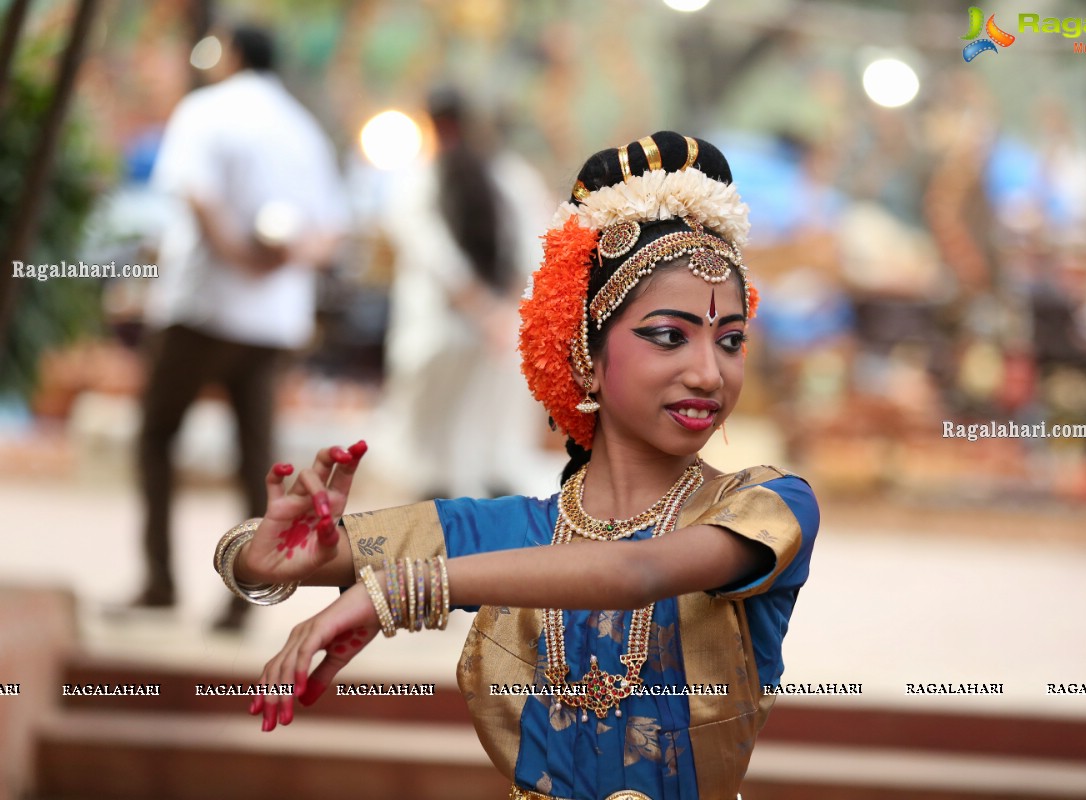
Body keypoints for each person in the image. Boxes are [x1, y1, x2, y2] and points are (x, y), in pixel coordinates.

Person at [216, 132, 819, 799]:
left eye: (730, 340)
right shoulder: (518, 534)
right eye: (669, 336)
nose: (709, 372)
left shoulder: (769, 507)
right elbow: (323, 555)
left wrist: (399, 593)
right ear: (585, 351)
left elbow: (636, 570)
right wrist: (260, 557)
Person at [134, 22, 348, 630]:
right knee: (259, 460)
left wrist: (237, 255)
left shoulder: (205, 110)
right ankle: (247, 592)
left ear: (230, 54)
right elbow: (330, 233)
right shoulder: (303, 127)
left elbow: (196, 198)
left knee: (156, 437)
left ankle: (159, 580)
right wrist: (278, 261)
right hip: (272, 320)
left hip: (201, 307)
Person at [380, 87, 560, 499]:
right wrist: (500, 316)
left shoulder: (420, 180)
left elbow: (438, 260)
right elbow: (534, 252)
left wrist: (486, 314)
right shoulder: (512, 176)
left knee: (436, 467)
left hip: (447, 335)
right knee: (486, 459)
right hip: (497, 334)